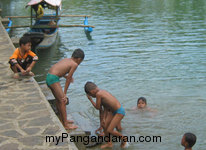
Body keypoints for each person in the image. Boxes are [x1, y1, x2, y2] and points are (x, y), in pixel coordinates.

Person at [46, 49, 84, 130]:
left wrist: (65, 76)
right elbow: (69, 79)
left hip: (49, 76)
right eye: (81, 61)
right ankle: (66, 124)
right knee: (63, 100)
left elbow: (59, 70)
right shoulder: (74, 64)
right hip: (53, 79)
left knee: (58, 100)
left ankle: (63, 119)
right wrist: (64, 94)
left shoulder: (66, 59)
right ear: (79, 59)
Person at [84, 82, 128, 149]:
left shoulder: (98, 94)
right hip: (112, 111)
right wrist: (104, 119)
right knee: (104, 126)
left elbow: (98, 107)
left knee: (110, 130)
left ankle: (124, 139)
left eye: (91, 95)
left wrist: (90, 100)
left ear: (92, 92)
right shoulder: (102, 92)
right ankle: (109, 143)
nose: (93, 97)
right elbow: (105, 108)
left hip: (119, 112)